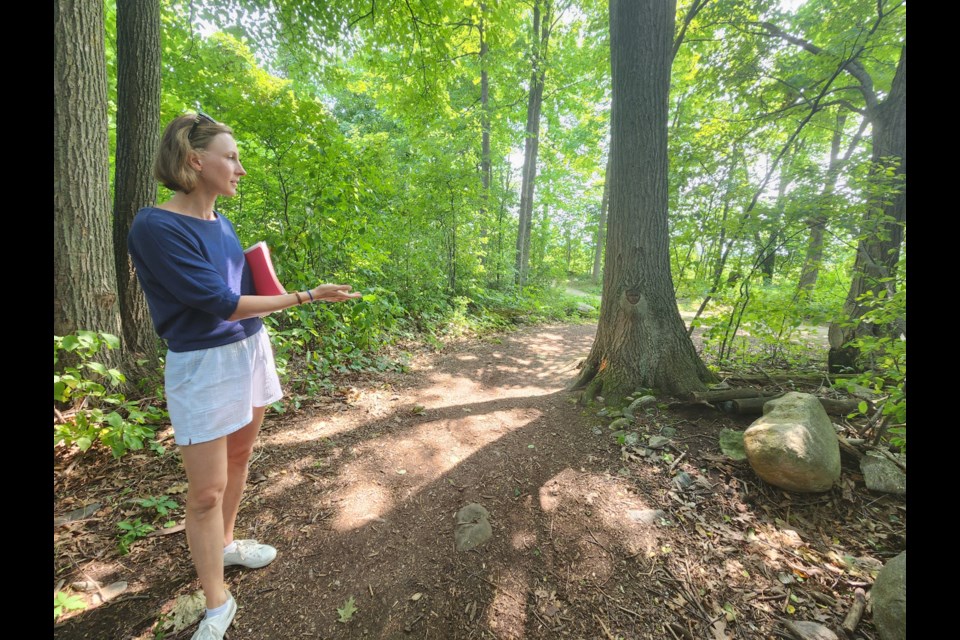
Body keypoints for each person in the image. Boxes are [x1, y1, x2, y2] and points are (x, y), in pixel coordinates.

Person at [128, 111, 361, 640]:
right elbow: (218, 303)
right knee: (205, 490)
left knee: (239, 457)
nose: (240, 168)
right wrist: (305, 296)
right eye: (231, 157)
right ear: (195, 160)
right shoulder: (155, 225)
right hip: (203, 362)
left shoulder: (221, 222)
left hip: (251, 350)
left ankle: (228, 544)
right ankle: (216, 601)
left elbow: (237, 292)